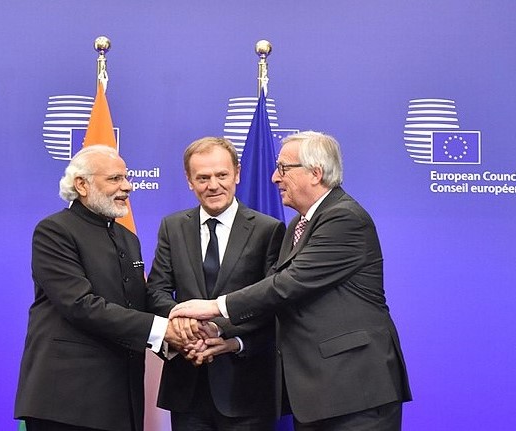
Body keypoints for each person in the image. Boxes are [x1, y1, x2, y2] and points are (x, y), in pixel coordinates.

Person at [170, 131, 412, 431]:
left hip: (354, 389)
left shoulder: (344, 218)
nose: (274, 177)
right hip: (316, 391)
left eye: (284, 168)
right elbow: (276, 290)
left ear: (315, 173)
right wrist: (219, 331)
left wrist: (213, 308)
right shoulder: (300, 224)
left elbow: (288, 285)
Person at [14, 145, 193, 431]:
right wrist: (163, 330)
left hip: (122, 401)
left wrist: (186, 326)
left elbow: (139, 302)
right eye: (115, 179)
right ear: (82, 185)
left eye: (126, 177)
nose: (127, 186)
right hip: (66, 401)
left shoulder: (126, 237)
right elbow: (80, 305)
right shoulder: (54, 231)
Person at [147, 137, 285, 431]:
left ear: (237, 173)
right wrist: (184, 321)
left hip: (245, 387)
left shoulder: (268, 230)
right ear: (189, 180)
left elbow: (271, 300)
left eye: (221, 175)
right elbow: (156, 290)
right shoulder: (172, 227)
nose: (213, 185)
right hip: (186, 384)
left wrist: (220, 329)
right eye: (203, 177)